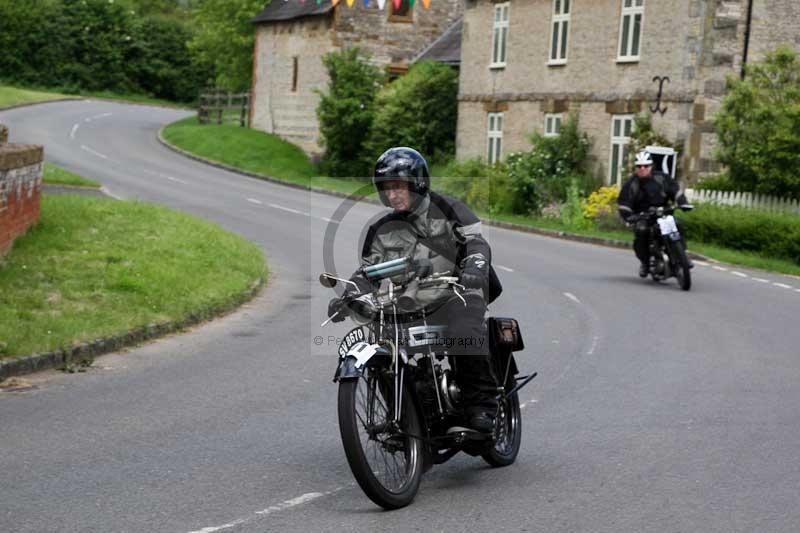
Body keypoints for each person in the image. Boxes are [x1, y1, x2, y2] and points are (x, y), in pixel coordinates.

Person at [328, 147, 503, 434]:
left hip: (457, 290)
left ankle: (482, 406)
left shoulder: (449, 210)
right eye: (387, 188)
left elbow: (476, 243)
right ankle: (409, 415)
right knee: (384, 345)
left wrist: (473, 267)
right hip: (411, 300)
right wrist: (349, 296)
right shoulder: (381, 230)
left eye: (399, 187)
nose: (393, 195)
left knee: (463, 332)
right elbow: (369, 271)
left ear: (418, 183)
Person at [617, 150, 691, 277]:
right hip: (643, 217)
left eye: (646, 166)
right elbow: (624, 203)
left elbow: (675, 190)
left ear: (651, 166)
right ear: (636, 168)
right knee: (641, 231)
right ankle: (645, 263)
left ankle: (682, 255)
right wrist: (629, 217)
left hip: (663, 213)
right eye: (639, 166)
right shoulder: (631, 184)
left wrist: (683, 203)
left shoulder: (661, 178)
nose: (642, 169)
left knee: (677, 225)